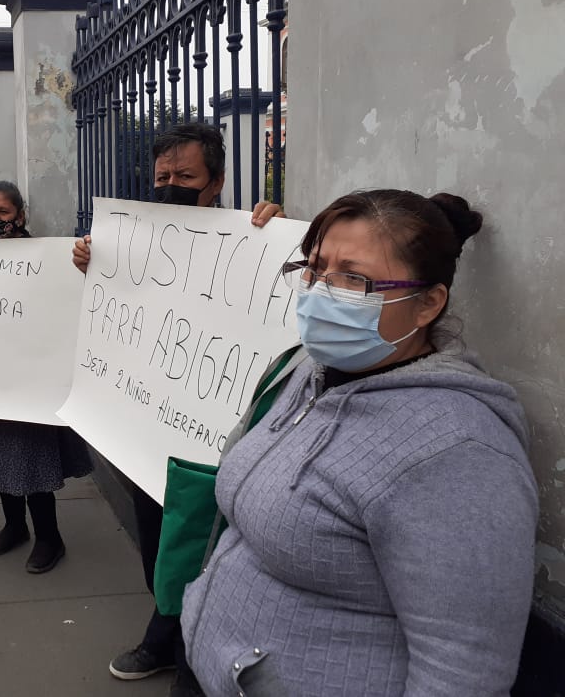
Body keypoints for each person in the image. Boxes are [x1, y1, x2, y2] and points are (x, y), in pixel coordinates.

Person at [181, 190, 538, 696]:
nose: (320, 291)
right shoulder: (308, 371)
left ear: (428, 304)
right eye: (316, 268)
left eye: (354, 278)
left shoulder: (458, 451)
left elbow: (464, 672)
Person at [72, 123, 283, 697]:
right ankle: (167, 629)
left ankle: (183, 648)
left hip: (211, 441)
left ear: (215, 183)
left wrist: (281, 232)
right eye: (162, 176)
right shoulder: (134, 239)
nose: (170, 186)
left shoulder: (255, 235)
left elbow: (293, 279)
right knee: (156, 544)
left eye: (185, 177)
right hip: (147, 432)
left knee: (203, 550)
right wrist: (91, 262)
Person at [0, 181, 94, 574]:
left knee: (30, 460)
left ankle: (50, 537)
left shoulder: (47, 257)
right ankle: (14, 526)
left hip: (31, 381)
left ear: (21, 216)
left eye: (4, 212)